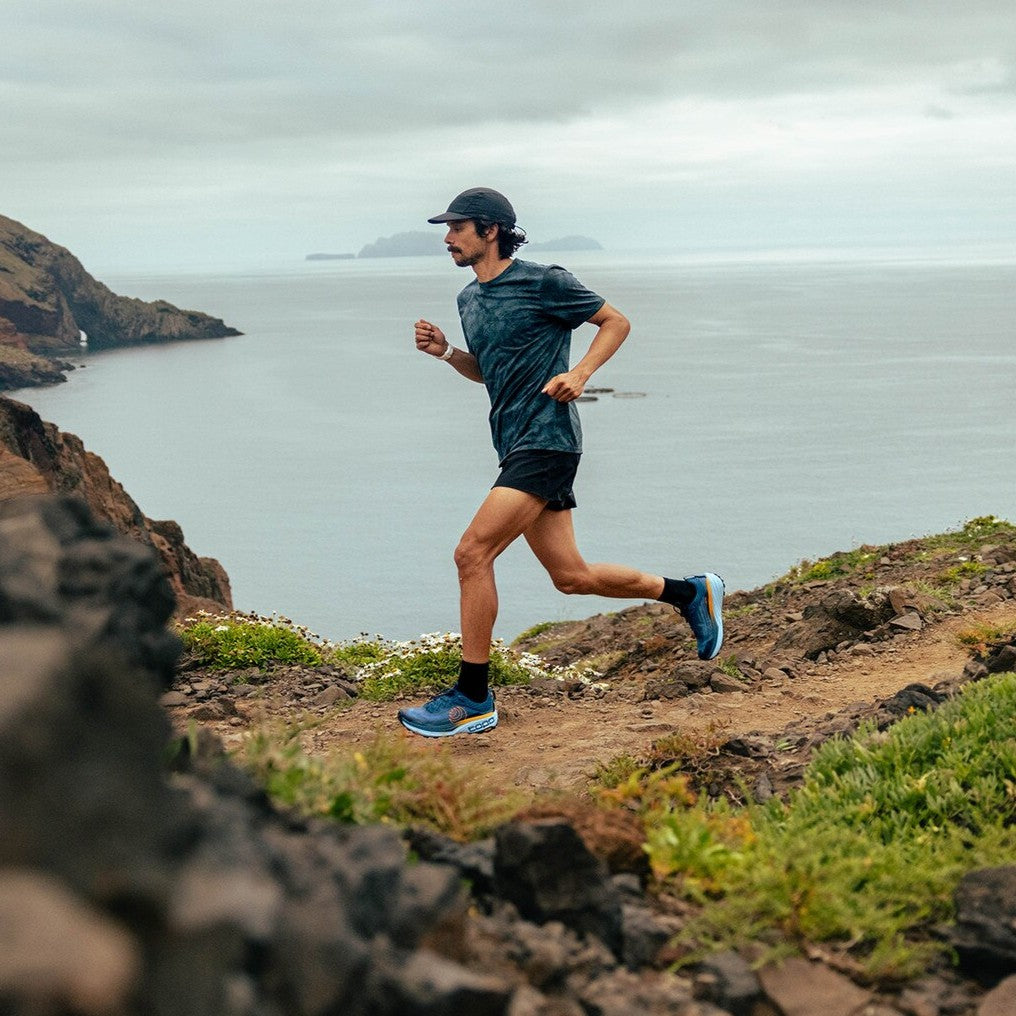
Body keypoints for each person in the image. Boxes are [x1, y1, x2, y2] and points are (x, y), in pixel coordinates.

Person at [398, 187, 723, 738]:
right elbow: (489, 372)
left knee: (471, 553)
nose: (447, 239)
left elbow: (615, 321)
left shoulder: (544, 281)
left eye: (456, 228)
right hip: (513, 442)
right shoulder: (468, 301)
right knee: (571, 577)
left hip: (547, 441)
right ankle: (690, 592)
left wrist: (581, 374)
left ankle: (473, 697)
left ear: (491, 230)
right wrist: (448, 354)